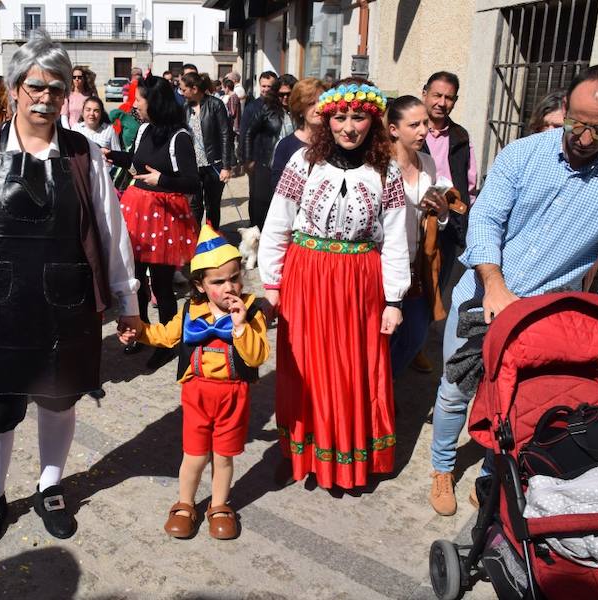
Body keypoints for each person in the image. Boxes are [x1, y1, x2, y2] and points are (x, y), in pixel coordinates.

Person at [0, 32, 141, 549]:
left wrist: (128, 301)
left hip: (66, 304)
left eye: (56, 87)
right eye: (35, 87)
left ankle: (50, 486)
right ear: (13, 88)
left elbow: (112, 231)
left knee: (58, 403)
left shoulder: (84, 153)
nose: (46, 98)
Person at [427, 64, 598, 517]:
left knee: (514, 402)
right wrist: (495, 286)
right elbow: (486, 222)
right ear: (564, 108)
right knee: (455, 390)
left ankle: (490, 477)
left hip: (546, 319)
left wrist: (597, 321)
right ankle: (442, 466)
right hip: (483, 296)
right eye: (576, 123)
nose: (583, 138)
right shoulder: (521, 155)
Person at [258, 78, 409, 490]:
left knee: (351, 372)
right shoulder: (303, 162)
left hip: (360, 284)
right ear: (326, 119)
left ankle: (346, 460)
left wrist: (394, 299)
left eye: (358, 117)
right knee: (304, 368)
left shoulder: (387, 170)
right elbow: (277, 224)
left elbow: (396, 238)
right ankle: (301, 452)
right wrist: (272, 283)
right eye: (340, 117)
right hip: (306, 279)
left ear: (372, 120)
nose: (348, 126)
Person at [118, 224, 269, 540]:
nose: (229, 287)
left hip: (233, 394)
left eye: (234, 278)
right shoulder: (191, 311)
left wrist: (241, 327)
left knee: (224, 456)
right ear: (200, 285)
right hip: (197, 393)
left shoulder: (251, 311)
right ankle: (185, 504)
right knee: (195, 455)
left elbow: (257, 358)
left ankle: (219, 505)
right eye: (219, 282)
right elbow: (165, 335)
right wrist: (139, 330)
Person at [106, 75, 199, 371]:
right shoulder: (145, 128)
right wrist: (111, 156)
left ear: (155, 102)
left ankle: (167, 342)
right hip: (136, 210)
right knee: (136, 282)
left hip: (164, 217)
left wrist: (163, 180)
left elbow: (193, 181)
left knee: (161, 284)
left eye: (140, 99)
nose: (135, 104)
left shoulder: (179, 136)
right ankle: (142, 332)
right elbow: (136, 164)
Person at [386, 95, 465, 378]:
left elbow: (435, 220)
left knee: (415, 335)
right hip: (383, 266)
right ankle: (376, 397)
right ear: (394, 129)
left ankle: (385, 384)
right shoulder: (379, 166)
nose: (423, 131)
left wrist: (442, 212)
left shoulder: (429, 165)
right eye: (414, 125)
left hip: (418, 265)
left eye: (425, 124)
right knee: (381, 337)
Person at [421, 71, 477, 291]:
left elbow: (469, 184)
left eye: (449, 98)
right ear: (425, 94)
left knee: (441, 287)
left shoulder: (460, 136)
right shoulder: (413, 130)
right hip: (415, 219)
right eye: (437, 95)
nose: (442, 103)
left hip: (449, 222)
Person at [180, 72, 233, 229]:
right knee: (195, 206)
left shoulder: (215, 105)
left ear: (194, 89)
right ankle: (195, 239)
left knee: (212, 205)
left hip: (213, 165)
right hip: (193, 166)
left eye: (183, 90)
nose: (181, 93)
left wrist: (226, 166)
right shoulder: (185, 108)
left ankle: (212, 237)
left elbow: (226, 135)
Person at [242, 80, 284, 230]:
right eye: (281, 94)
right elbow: (247, 133)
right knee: (259, 202)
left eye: (288, 94)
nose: (284, 98)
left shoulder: (298, 113)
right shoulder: (260, 108)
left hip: (288, 167)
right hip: (264, 161)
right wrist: (247, 159)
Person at [269, 77, 326, 190]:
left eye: (322, 101)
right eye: (311, 103)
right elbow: (278, 188)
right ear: (300, 109)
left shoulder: (334, 142)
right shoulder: (286, 145)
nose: (319, 108)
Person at [275, 74, 298, 141]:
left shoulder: (301, 111)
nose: (285, 97)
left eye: (288, 94)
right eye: (281, 94)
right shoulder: (268, 111)